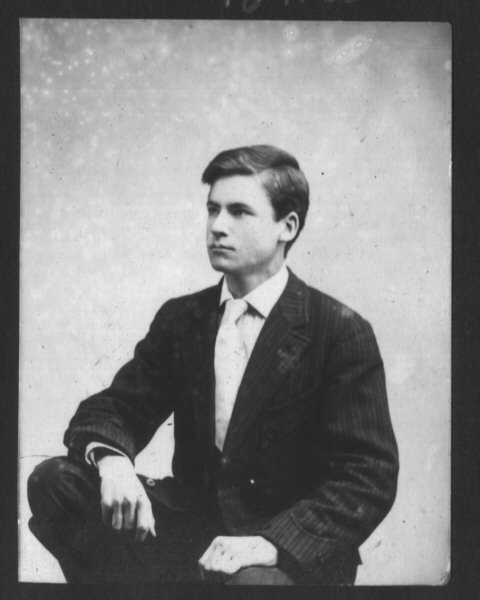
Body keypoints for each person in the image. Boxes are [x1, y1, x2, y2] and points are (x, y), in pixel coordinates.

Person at [27, 145, 399, 585]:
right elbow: (116, 408)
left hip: (281, 549)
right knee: (54, 481)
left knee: (252, 584)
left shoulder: (337, 330)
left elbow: (368, 475)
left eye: (239, 212)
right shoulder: (184, 319)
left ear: (288, 226)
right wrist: (113, 463)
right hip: (191, 530)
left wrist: (270, 544)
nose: (217, 227)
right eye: (212, 210)